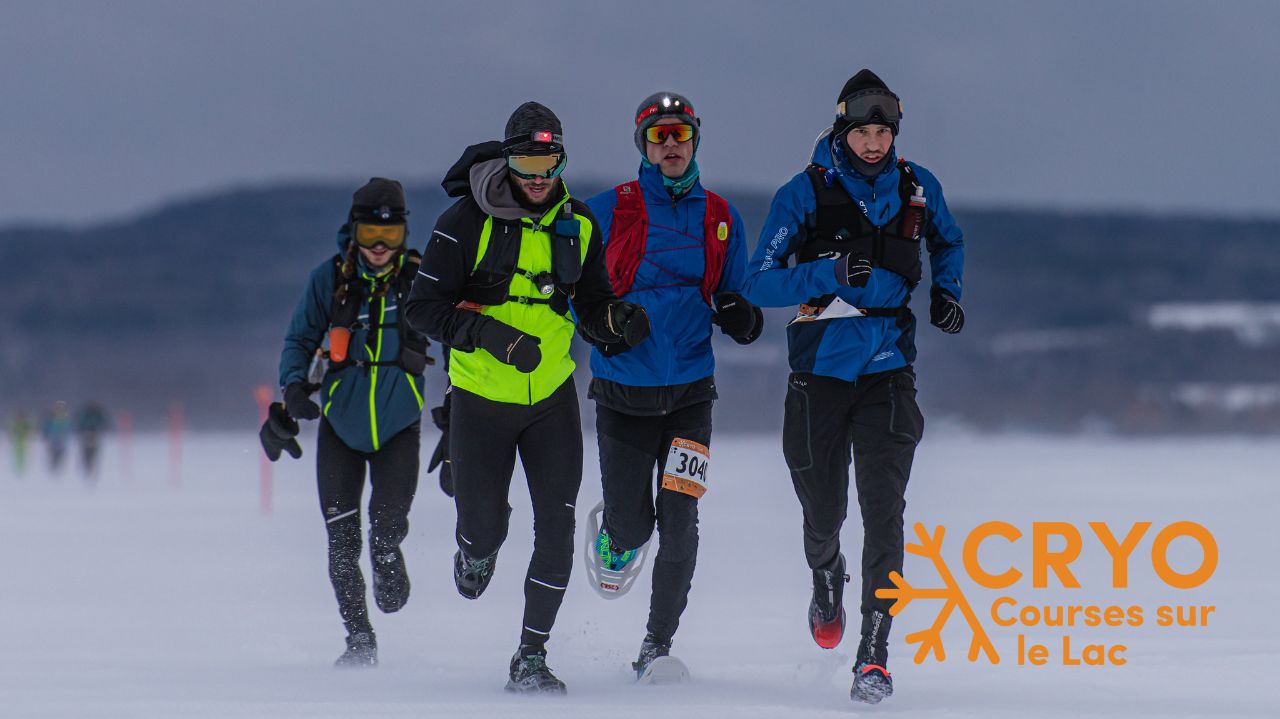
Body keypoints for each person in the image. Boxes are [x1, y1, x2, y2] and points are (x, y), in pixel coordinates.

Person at [404, 101, 650, 695]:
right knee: (483, 528)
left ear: (562, 162)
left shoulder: (579, 224)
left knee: (557, 528)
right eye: (527, 163)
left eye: (549, 163)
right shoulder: (465, 222)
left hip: (552, 402)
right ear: (507, 160)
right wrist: (490, 335)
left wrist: (614, 321)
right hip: (481, 398)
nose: (539, 177)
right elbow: (421, 310)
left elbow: (591, 303)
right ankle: (475, 550)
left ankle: (530, 658)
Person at [740, 69, 965, 704]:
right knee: (823, 511)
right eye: (863, 132)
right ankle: (826, 570)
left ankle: (874, 654)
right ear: (843, 130)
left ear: (895, 133)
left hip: (888, 368)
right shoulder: (803, 193)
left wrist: (948, 292)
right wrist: (829, 270)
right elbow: (757, 282)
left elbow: (949, 241)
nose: (873, 143)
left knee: (885, 512)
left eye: (883, 133)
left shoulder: (918, 187)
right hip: (819, 371)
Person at [582, 91, 762, 682]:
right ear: (643, 145)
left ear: (694, 139)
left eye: (679, 134)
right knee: (634, 527)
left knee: (680, 522)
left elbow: (734, 295)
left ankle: (655, 648)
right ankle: (616, 532)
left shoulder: (721, 216)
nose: (670, 145)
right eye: (658, 136)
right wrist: (605, 324)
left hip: (690, 396)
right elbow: (575, 292)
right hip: (623, 394)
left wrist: (742, 317)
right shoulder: (607, 210)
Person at [259, 177, 433, 668]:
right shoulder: (329, 280)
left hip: (400, 426)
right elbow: (299, 340)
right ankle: (359, 639)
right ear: (353, 231)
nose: (380, 246)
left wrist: (459, 408)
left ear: (404, 233)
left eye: (390, 235)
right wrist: (294, 387)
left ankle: (387, 555)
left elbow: (459, 342)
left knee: (385, 530)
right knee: (341, 540)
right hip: (340, 427)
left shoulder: (420, 281)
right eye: (370, 234)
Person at [75, 402, 112, 481]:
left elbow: (79, 423)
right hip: (90, 434)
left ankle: (89, 465)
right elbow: (104, 423)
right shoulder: (94, 413)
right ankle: (88, 465)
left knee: (89, 451)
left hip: (91, 434)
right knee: (89, 451)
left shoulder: (90, 413)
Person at [41, 400, 72, 474]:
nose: (59, 409)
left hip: (62, 439)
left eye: (61, 407)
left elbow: (69, 428)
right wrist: (46, 435)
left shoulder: (66, 418)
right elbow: (46, 427)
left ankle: (59, 468)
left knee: (61, 454)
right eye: (58, 407)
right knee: (53, 454)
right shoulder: (51, 417)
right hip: (53, 439)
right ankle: (53, 467)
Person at [7, 411, 33, 477]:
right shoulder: (15, 424)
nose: (20, 419)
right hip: (16, 441)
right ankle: (18, 467)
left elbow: (29, 430)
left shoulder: (25, 424)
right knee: (17, 454)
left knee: (23, 454)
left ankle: (22, 467)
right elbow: (11, 431)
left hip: (23, 440)